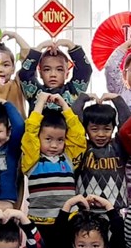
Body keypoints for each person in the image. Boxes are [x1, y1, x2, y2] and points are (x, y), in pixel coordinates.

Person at [21, 91, 86, 224]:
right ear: (38, 138)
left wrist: (64, 105)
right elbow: (30, 131)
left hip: (68, 218)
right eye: (48, 139)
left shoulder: (68, 158)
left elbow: (78, 136)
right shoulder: (32, 160)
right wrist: (40, 102)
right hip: (39, 220)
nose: (54, 145)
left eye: (60, 140)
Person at [72, 95, 131, 210]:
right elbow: (73, 122)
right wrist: (83, 98)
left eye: (107, 129)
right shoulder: (81, 146)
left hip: (114, 210)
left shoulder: (119, 146)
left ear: (113, 128)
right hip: (85, 209)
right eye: (94, 129)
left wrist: (117, 98)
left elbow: (128, 124)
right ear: (85, 129)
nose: (101, 134)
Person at [17, 38, 93, 109]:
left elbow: (85, 70)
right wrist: (39, 48)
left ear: (67, 74)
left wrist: (70, 45)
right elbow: (24, 74)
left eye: (59, 69)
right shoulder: (34, 91)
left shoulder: (73, 90)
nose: (53, 74)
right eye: (47, 69)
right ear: (40, 73)